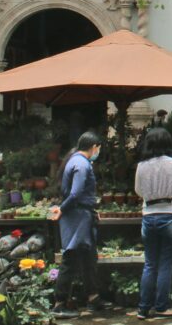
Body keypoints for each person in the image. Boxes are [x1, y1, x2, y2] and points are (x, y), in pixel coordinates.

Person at [49, 132, 110, 319]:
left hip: (82, 215)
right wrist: (62, 209)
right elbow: (75, 194)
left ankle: (93, 298)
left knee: (88, 257)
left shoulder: (74, 160)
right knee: (71, 257)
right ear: (94, 147)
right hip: (78, 217)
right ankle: (59, 304)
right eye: (98, 148)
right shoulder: (82, 165)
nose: (98, 151)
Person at [133, 127, 172, 320]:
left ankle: (143, 308)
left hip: (148, 216)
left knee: (150, 263)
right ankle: (161, 307)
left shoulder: (141, 165)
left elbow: (139, 192)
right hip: (168, 216)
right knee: (165, 263)